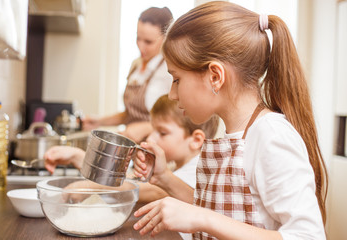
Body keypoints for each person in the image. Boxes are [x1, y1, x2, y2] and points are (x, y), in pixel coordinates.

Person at [132, 1, 328, 239]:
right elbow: (222, 212)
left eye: (176, 79)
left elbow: (309, 235)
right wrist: (165, 179)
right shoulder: (237, 134)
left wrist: (201, 218)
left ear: (215, 76)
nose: (173, 94)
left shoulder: (271, 135)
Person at [44, 94, 219, 204]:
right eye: (152, 130)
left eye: (162, 133)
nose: (151, 138)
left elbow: (154, 191)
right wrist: (80, 157)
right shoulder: (176, 165)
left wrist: (89, 186)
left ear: (195, 140)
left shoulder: (197, 168)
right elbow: (130, 178)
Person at [82, 7, 174, 143]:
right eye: (138, 38)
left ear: (165, 38)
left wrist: (147, 127)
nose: (140, 46)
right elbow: (130, 115)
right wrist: (99, 121)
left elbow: (180, 120)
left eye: (148, 42)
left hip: (159, 148)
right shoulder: (135, 65)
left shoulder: (169, 71)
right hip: (134, 147)